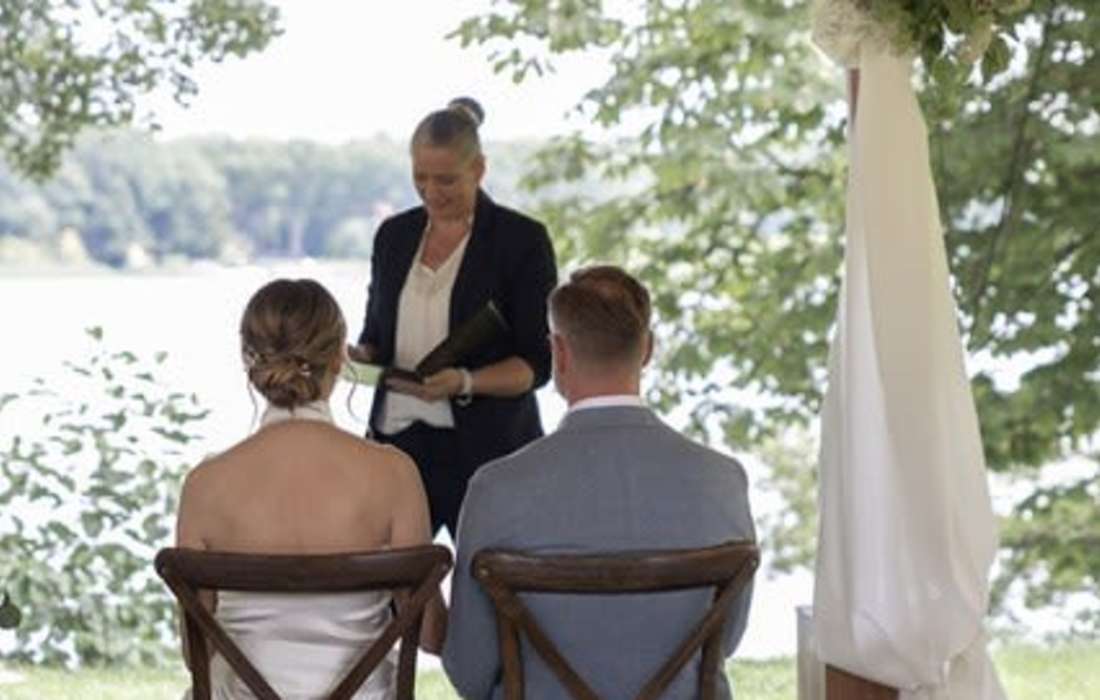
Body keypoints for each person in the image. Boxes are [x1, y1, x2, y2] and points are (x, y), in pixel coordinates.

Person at [442, 265, 757, 699]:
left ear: (559, 354)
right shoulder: (722, 480)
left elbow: (470, 669)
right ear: (647, 349)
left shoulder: (496, 488)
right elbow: (726, 641)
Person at [175, 278, 445, 700]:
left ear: (249, 360)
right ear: (340, 357)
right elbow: (430, 635)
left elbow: (196, 655)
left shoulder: (205, 485)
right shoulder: (393, 473)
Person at [349, 96, 557, 537]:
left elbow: (536, 365)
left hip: (490, 451)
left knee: (491, 573)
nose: (431, 192)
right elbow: (377, 337)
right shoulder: (393, 236)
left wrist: (465, 382)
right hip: (397, 447)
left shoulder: (521, 240)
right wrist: (356, 357)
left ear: (478, 169)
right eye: (420, 178)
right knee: (391, 574)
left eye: (445, 180)